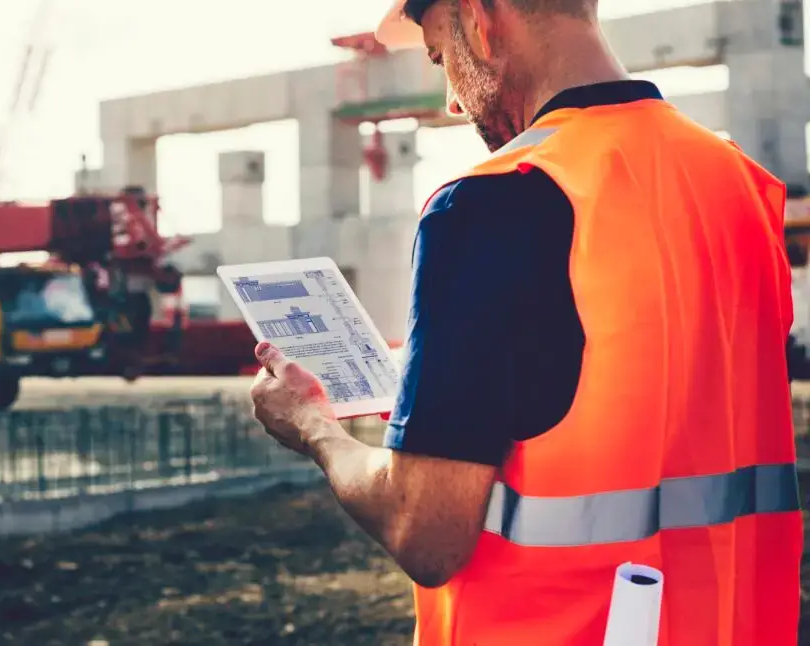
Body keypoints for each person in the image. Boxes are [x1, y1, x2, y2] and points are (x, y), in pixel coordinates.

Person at [248, 0, 803, 644]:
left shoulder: (494, 202)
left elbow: (425, 531)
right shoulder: (735, 180)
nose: (452, 101)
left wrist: (314, 426)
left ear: (479, 21)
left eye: (441, 57)